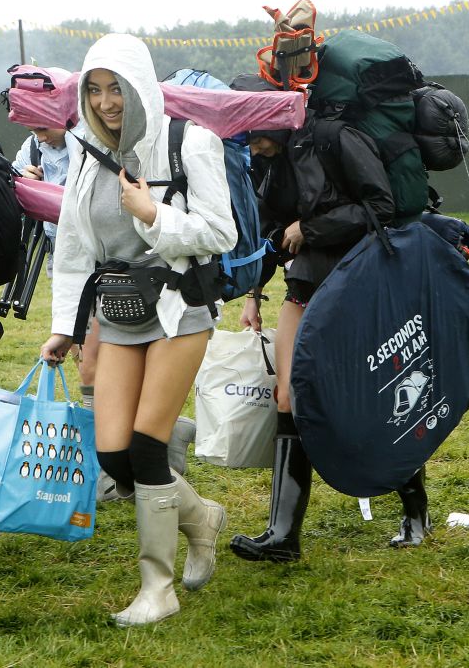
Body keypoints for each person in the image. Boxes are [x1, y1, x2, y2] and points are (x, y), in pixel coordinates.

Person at [40, 33, 237, 626]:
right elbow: (75, 249)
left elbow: (220, 232)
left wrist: (154, 214)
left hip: (180, 310)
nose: (106, 102)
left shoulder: (190, 142)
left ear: (140, 85)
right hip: (120, 313)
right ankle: (202, 518)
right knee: (115, 456)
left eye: (116, 88)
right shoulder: (81, 154)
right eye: (94, 90)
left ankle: (158, 587)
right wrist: (65, 328)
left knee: (149, 447)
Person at [228, 106, 429, 563]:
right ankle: (282, 536)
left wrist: (312, 228)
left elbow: (380, 207)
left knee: (375, 400)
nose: (251, 146)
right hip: (302, 290)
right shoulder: (272, 161)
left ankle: (416, 510)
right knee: (287, 396)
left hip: (356, 287)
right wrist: (253, 294)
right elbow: (268, 233)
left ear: (274, 120)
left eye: (254, 135)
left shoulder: (337, 138)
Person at [11, 127, 69, 277]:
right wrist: (24, 182)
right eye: (33, 130)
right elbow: (11, 188)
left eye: (43, 128)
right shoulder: (32, 146)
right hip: (59, 253)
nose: (40, 137)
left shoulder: (94, 141)